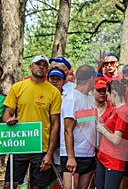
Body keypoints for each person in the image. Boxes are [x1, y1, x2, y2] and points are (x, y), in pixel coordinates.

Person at [2, 55, 61, 189]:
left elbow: (55, 124)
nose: (41, 66)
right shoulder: (17, 87)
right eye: (38, 63)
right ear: (31, 67)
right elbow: (7, 114)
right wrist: (8, 120)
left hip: (41, 147)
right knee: (10, 184)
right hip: (20, 144)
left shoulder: (54, 92)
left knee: (37, 187)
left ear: (47, 70)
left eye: (44, 65)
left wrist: (50, 154)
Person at [60, 65, 97, 189]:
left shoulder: (90, 98)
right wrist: (71, 157)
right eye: (95, 79)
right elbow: (67, 130)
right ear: (91, 79)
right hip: (73, 154)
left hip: (88, 154)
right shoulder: (71, 98)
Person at [96, 80, 128, 189]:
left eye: (107, 94)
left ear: (114, 93)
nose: (106, 98)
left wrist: (102, 130)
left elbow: (116, 139)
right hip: (104, 158)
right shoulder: (116, 110)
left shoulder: (123, 111)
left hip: (114, 160)